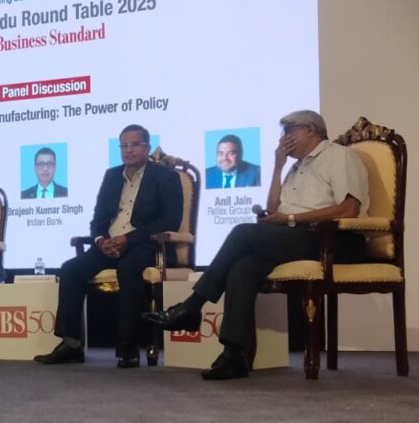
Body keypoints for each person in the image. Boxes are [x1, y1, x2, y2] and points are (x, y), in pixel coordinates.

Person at [146, 110, 369, 380]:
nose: (283, 139)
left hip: (335, 240)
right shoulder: (296, 167)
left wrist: (291, 219)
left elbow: (349, 209)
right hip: (298, 236)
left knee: (242, 233)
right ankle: (234, 356)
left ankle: (191, 307)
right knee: (243, 267)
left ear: (310, 130)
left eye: (289, 132)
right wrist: (277, 166)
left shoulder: (338, 156)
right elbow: (274, 208)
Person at [35, 125, 182, 369]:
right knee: (70, 269)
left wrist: (128, 239)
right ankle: (71, 343)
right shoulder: (112, 176)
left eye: (134, 145)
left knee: (129, 268)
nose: (128, 150)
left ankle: (128, 346)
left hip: (146, 246)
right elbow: (98, 219)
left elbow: (170, 221)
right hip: (110, 245)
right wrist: (101, 240)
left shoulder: (165, 177)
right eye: (124, 145)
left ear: (147, 147)